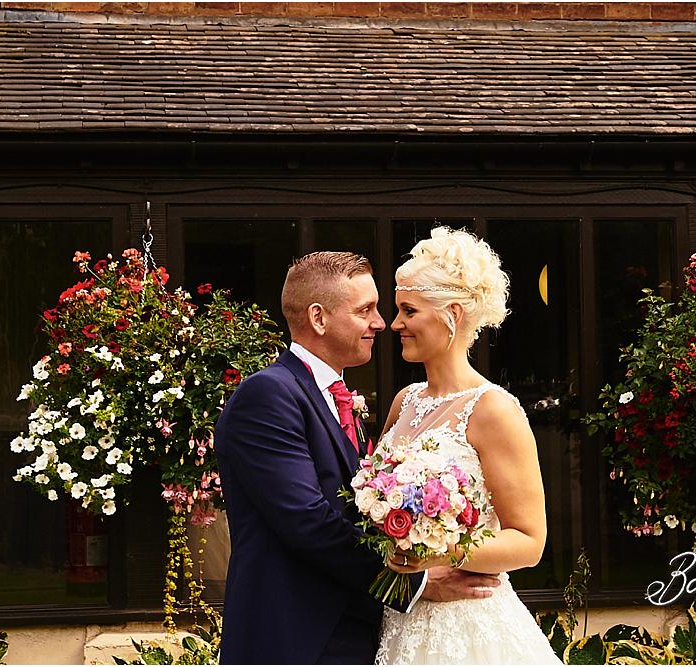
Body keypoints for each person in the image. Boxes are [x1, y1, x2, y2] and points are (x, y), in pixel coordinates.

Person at [215, 251, 502, 665]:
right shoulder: (268, 395)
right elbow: (308, 521)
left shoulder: (338, 398)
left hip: (355, 633)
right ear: (318, 318)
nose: (381, 323)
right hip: (296, 640)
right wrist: (413, 583)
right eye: (365, 310)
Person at [375, 228, 562, 664]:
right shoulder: (405, 402)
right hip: (401, 617)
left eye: (408, 310)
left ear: (453, 314)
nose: (395, 323)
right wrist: (406, 572)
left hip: (468, 624)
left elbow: (529, 541)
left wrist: (438, 551)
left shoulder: (494, 410)